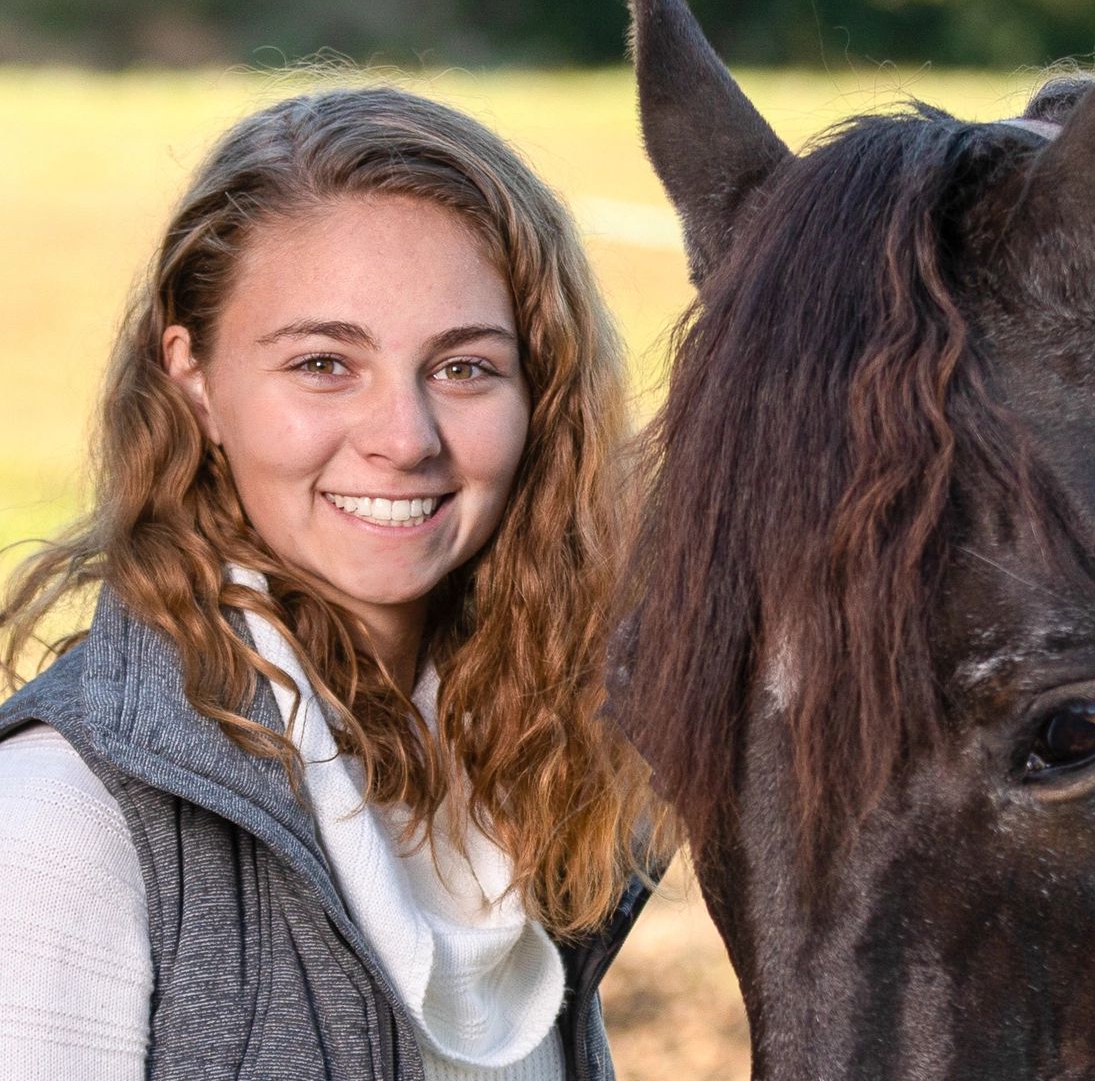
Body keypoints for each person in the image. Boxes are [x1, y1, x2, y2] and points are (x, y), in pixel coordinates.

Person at [0, 84, 664, 1080]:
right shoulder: (61, 824)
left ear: (542, 398)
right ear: (194, 379)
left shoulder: (538, 782)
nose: (403, 438)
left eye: (466, 368)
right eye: (323, 362)